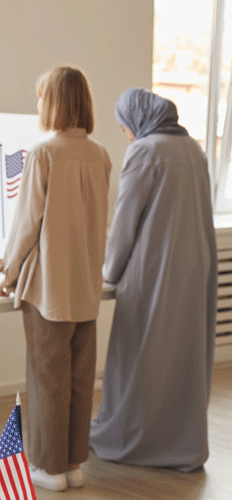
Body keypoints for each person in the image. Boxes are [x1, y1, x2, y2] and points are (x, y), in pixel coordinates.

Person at [0, 66, 111, 491]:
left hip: (50, 289)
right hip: (87, 285)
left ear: (55, 102)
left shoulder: (44, 153)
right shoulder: (100, 154)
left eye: (42, 96)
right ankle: (74, 463)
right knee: (81, 378)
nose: (38, 104)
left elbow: (27, 222)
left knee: (47, 378)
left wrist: (8, 271)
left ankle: (48, 466)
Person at [89, 88, 217, 472]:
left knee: (139, 357)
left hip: (152, 271)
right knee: (180, 357)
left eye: (125, 127)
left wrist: (109, 271)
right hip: (193, 270)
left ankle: (132, 439)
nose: (127, 134)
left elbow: (126, 220)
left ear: (137, 119)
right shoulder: (193, 149)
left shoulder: (146, 151)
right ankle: (181, 444)